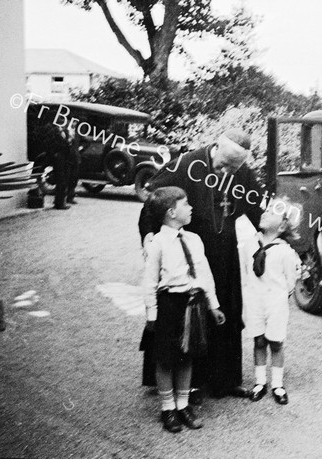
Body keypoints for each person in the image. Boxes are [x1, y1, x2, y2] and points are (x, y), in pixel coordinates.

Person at [139, 128, 263, 399]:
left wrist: (267, 237)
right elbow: (154, 199)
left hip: (226, 256)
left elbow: (256, 208)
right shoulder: (188, 164)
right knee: (187, 316)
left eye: (235, 167)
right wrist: (149, 233)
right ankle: (187, 384)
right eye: (225, 165)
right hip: (188, 256)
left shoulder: (241, 173)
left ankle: (225, 380)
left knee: (224, 312)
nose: (229, 172)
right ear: (216, 149)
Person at [143, 186, 225, 433]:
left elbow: (205, 274)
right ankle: (167, 408)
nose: (191, 208)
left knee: (188, 354)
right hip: (169, 304)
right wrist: (152, 314)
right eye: (186, 204)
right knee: (166, 358)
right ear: (171, 212)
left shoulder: (194, 240)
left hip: (193, 303)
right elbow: (149, 281)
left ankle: (183, 405)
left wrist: (213, 305)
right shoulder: (157, 243)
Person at [241, 197, 301, 405]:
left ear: (283, 224)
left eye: (272, 212)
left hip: (275, 303)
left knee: (275, 342)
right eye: (265, 210)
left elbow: (290, 282)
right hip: (254, 300)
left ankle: (277, 384)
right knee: (258, 340)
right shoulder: (250, 244)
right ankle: (260, 382)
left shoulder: (285, 252)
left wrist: (280, 301)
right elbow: (245, 273)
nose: (265, 213)